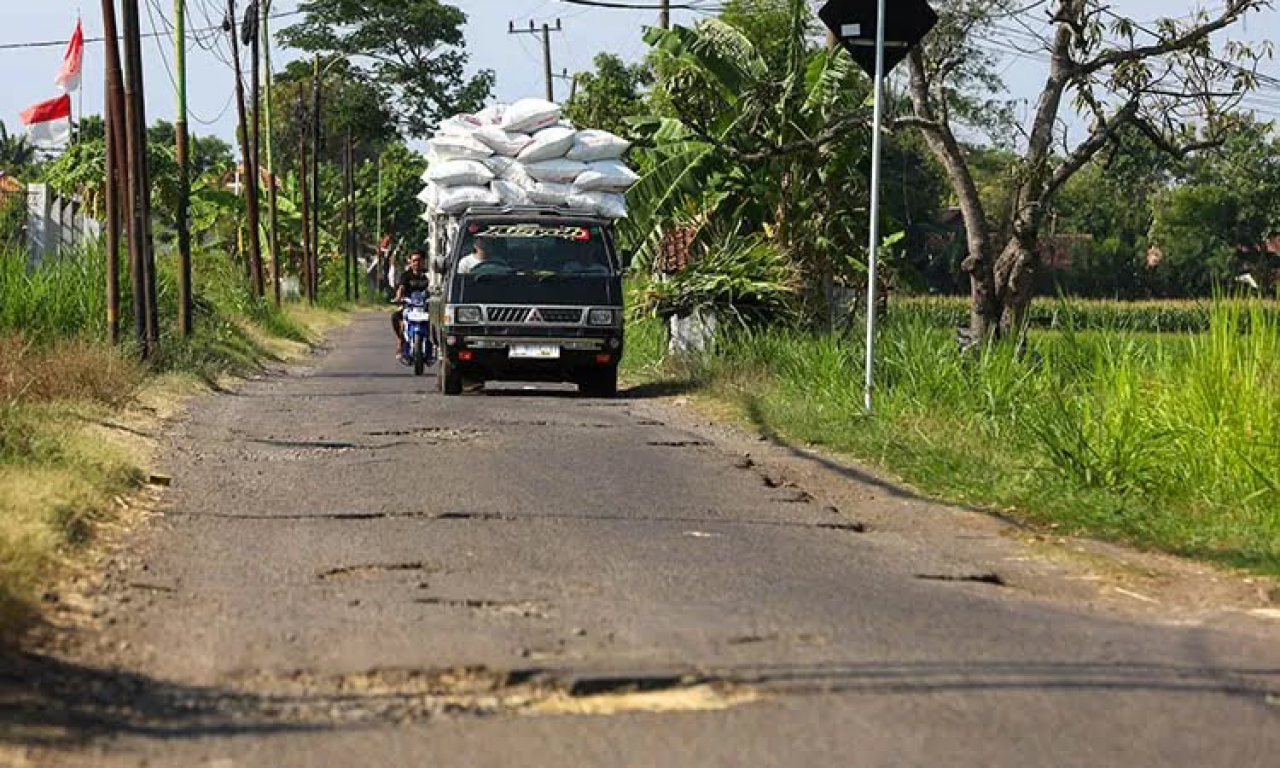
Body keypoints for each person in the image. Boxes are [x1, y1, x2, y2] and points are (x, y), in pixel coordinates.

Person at [392, 249, 432, 360]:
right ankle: (401, 340)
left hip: (426, 306)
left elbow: (434, 287)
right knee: (395, 317)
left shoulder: (428, 275)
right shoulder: (406, 275)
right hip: (410, 305)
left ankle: (435, 346)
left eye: (419, 260)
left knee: (437, 320)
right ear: (410, 262)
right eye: (414, 260)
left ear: (424, 261)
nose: (416, 263)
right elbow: (401, 288)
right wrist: (399, 297)